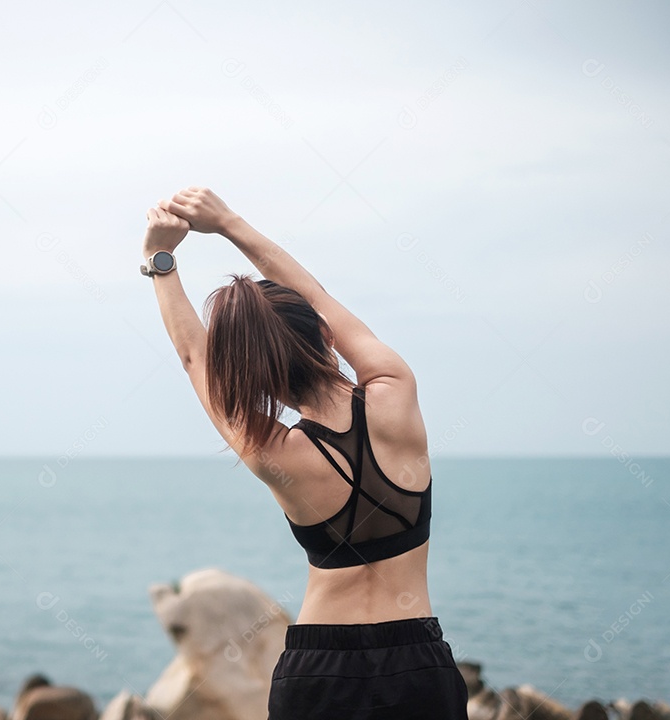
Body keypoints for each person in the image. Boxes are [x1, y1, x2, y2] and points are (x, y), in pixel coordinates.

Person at [139, 187, 469, 719]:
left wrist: (161, 261)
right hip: (418, 663)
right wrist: (227, 222)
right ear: (324, 333)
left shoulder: (274, 453)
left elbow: (193, 355)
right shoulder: (394, 391)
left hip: (319, 670)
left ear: (251, 379)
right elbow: (313, 295)